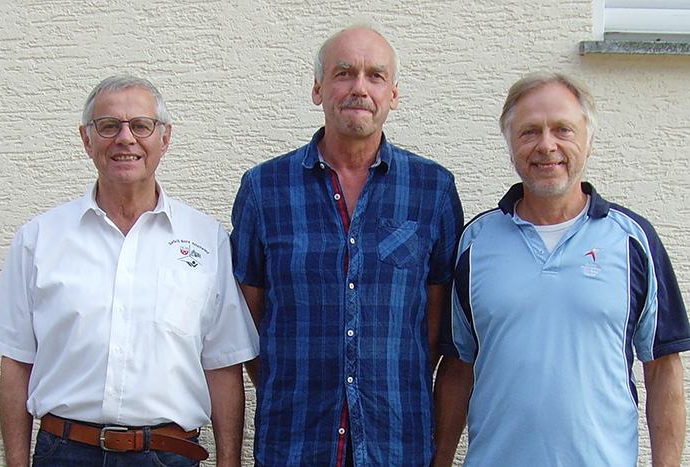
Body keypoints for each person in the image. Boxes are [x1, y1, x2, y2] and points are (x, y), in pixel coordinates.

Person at [0, 75, 259, 467]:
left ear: (164, 139)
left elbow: (222, 365)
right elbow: (16, 364)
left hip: (169, 455)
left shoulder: (207, 240)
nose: (125, 138)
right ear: (86, 139)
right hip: (63, 453)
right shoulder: (38, 239)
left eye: (141, 126)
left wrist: (229, 462)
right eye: (109, 126)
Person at [230, 25, 463, 466]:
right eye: (344, 73)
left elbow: (434, 323)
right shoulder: (264, 189)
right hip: (295, 442)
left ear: (393, 93)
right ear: (318, 89)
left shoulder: (432, 190)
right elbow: (249, 319)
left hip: (396, 442)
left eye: (375, 75)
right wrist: (296, 381)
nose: (359, 87)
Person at [434, 72, 690, 466]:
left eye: (563, 130)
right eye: (530, 132)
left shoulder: (632, 240)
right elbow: (456, 369)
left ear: (588, 140)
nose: (546, 145)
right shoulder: (476, 242)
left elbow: (663, 369)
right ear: (510, 144)